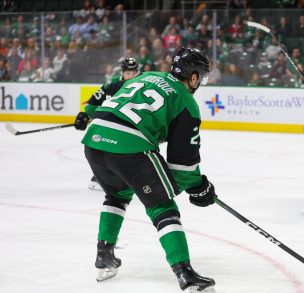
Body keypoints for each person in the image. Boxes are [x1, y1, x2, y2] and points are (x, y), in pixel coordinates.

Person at [79, 47, 217, 291]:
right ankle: (184, 273)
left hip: (94, 139)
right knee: (162, 205)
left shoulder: (145, 76)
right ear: (193, 77)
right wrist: (198, 186)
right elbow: (182, 166)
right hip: (128, 144)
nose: (200, 83)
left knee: (117, 194)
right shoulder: (186, 101)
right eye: (201, 77)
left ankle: (104, 255)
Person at [74, 57, 140, 190]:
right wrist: (86, 114)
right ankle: (101, 176)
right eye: (128, 73)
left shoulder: (143, 82)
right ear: (122, 73)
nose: (131, 76)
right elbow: (95, 100)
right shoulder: (113, 84)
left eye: (134, 73)